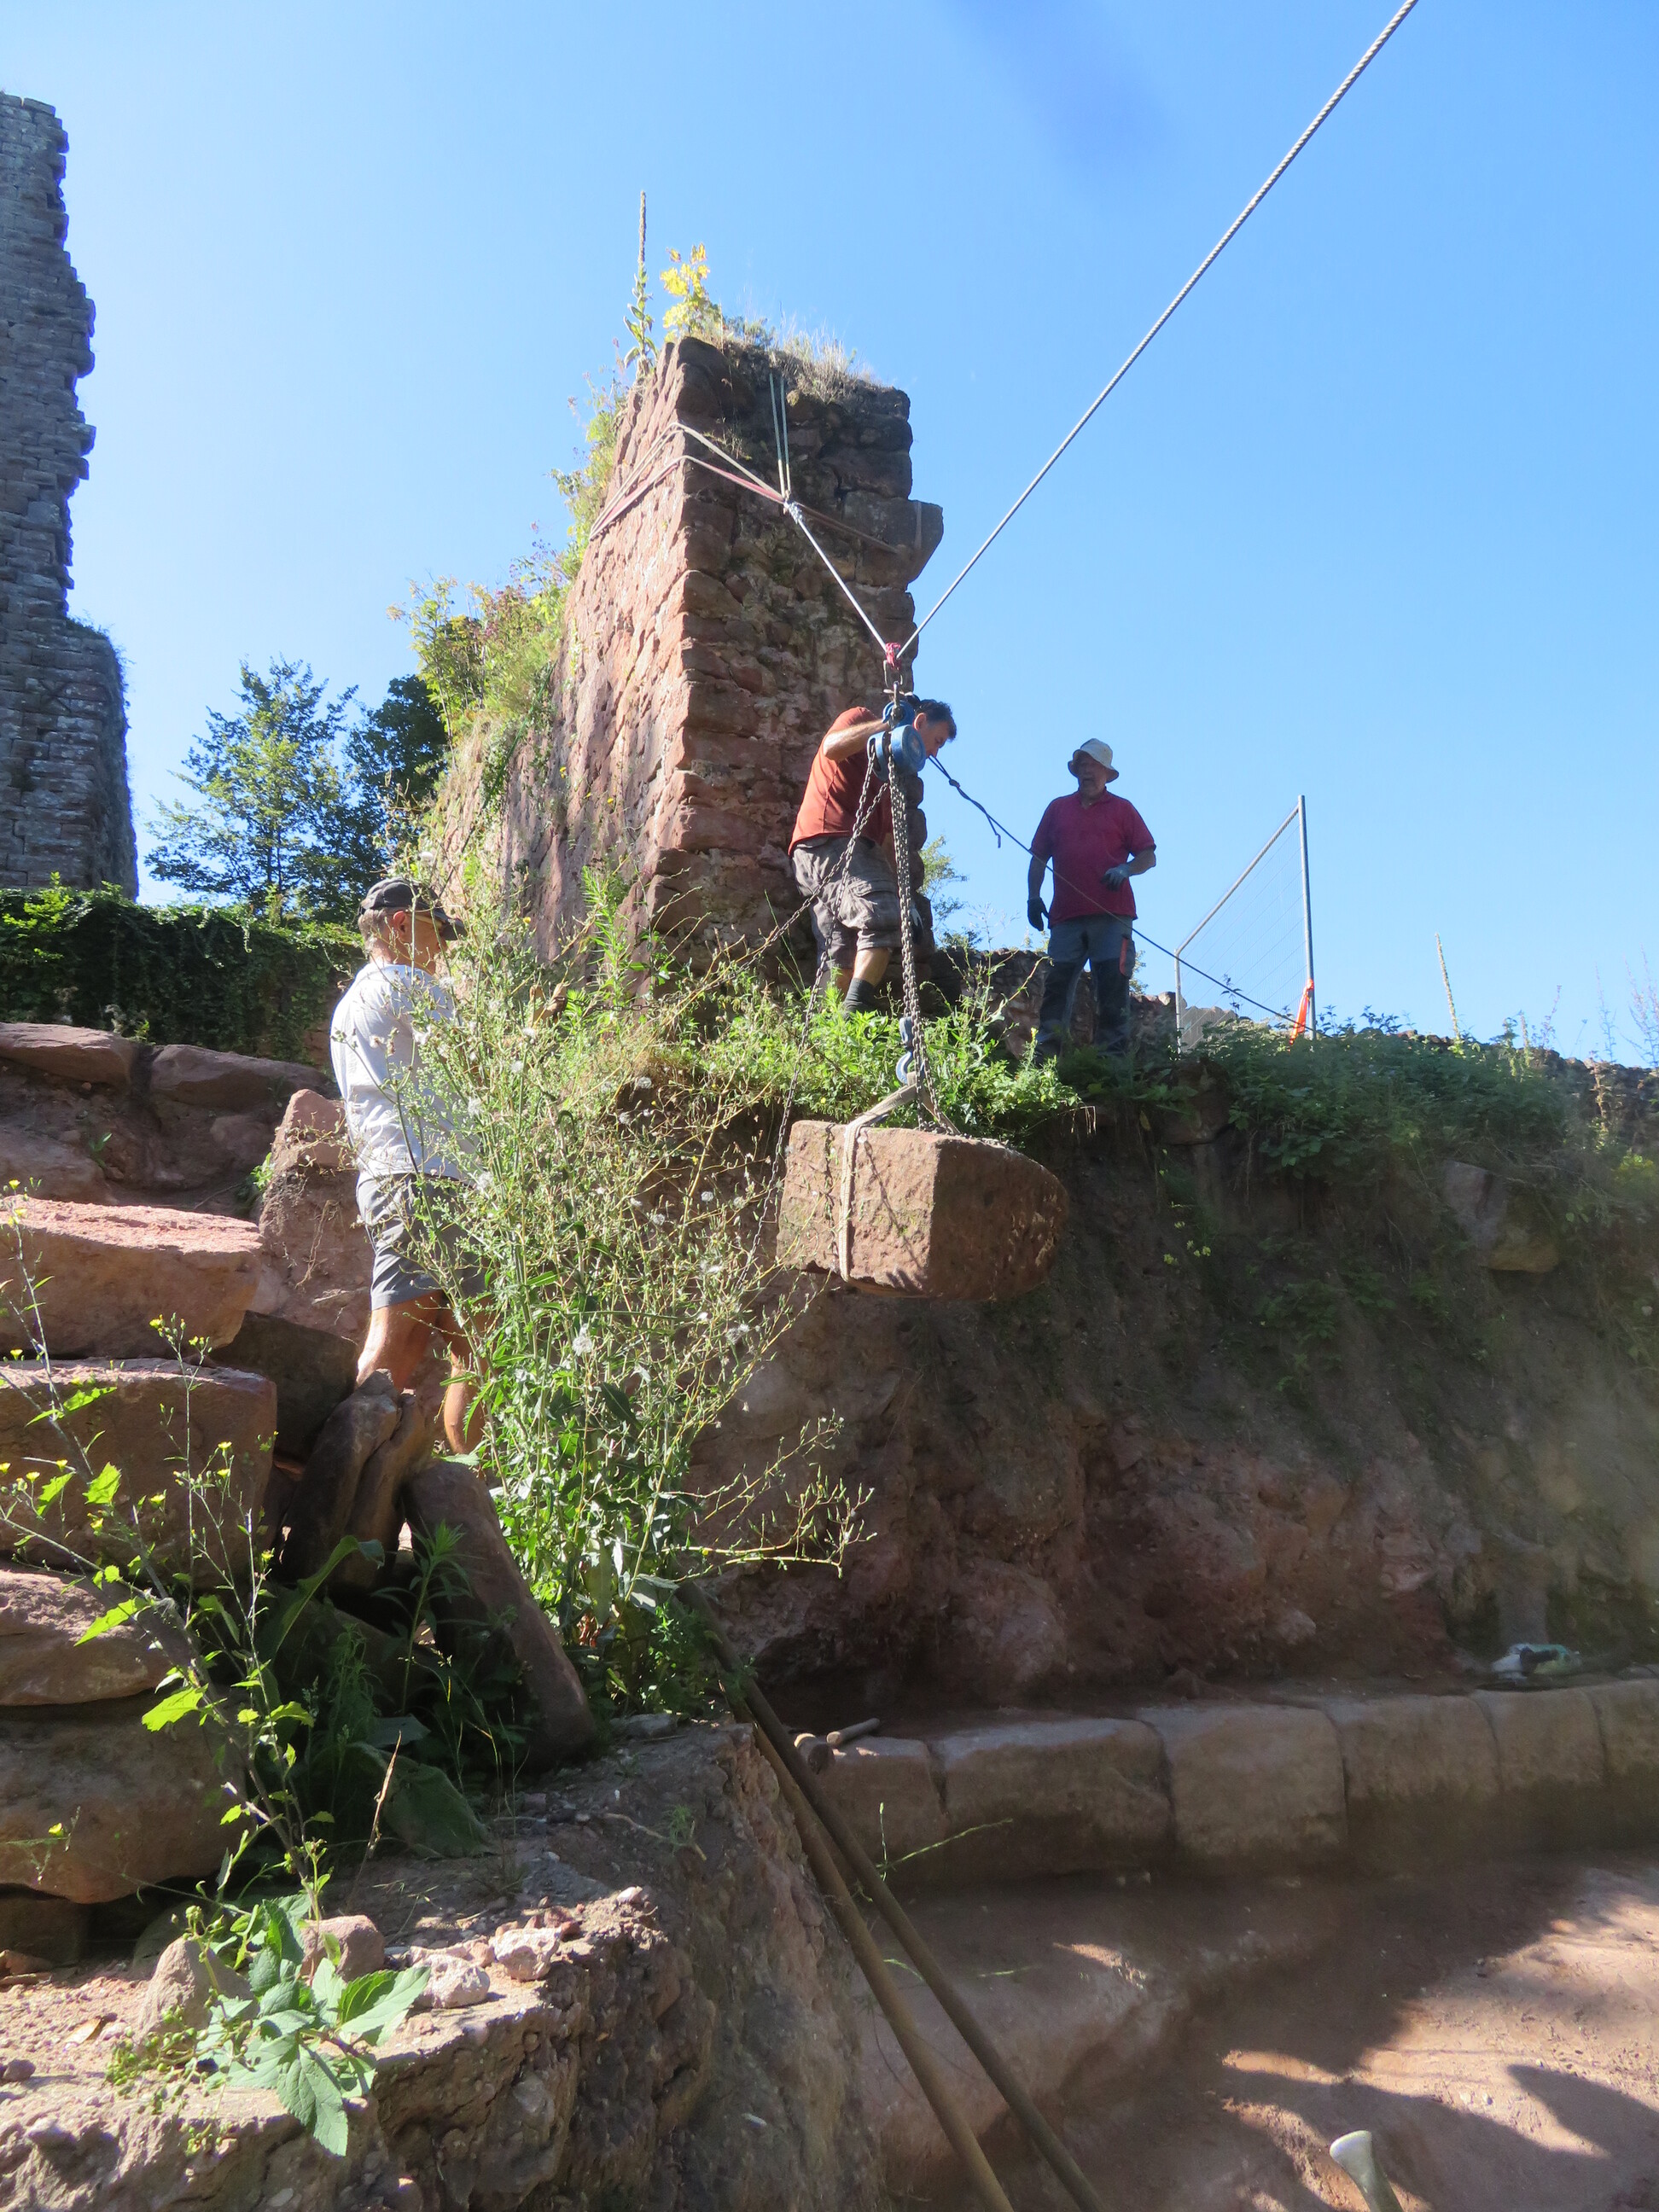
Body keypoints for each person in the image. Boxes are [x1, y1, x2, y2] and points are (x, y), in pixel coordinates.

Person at [329, 877, 484, 1453]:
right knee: (404, 1346)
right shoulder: (408, 983)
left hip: (399, 1176)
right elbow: (476, 1071)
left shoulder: (351, 1004)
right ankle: (334, 1482)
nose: (441, 948)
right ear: (400, 924)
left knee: (473, 1343)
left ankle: (460, 1491)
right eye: (436, 931)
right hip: (427, 1179)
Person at [789, 700, 957, 1009]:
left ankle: (829, 1028)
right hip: (832, 840)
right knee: (885, 920)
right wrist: (887, 726)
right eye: (937, 741)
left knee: (839, 954)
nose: (934, 753)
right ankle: (853, 1012)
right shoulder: (859, 718)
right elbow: (830, 748)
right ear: (919, 722)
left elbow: (889, 844)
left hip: (819, 853)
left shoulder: (891, 776)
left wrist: (907, 901)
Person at [1027, 740, 1155, 1060]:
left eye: (1094, 766)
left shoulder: (1123, 810)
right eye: (1082, 765)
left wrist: (1126, 869)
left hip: (1112, 917)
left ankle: (1112, 1067)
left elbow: (1148, 855)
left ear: (1106, 774)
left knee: (1112, 988)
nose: (1087, 771)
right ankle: (1045, 1062)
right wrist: (1033, 896)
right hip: (1066, 918)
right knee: (1057, 987)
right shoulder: (1057, 809)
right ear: (1076, 771)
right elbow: (1039, 857)